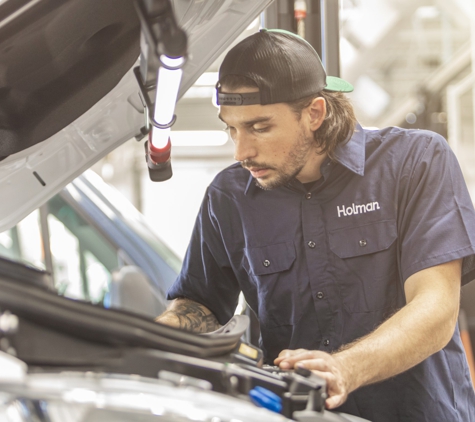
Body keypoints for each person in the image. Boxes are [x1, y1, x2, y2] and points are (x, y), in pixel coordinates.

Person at [156, 29, 475, 421]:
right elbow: (200, 303)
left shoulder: (415, 163)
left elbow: (436, 308)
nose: (241, 151)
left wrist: (344, 368)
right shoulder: (230, 196)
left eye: (259, 127)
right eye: (231, 128)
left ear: (315, 113)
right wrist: (143, 336)